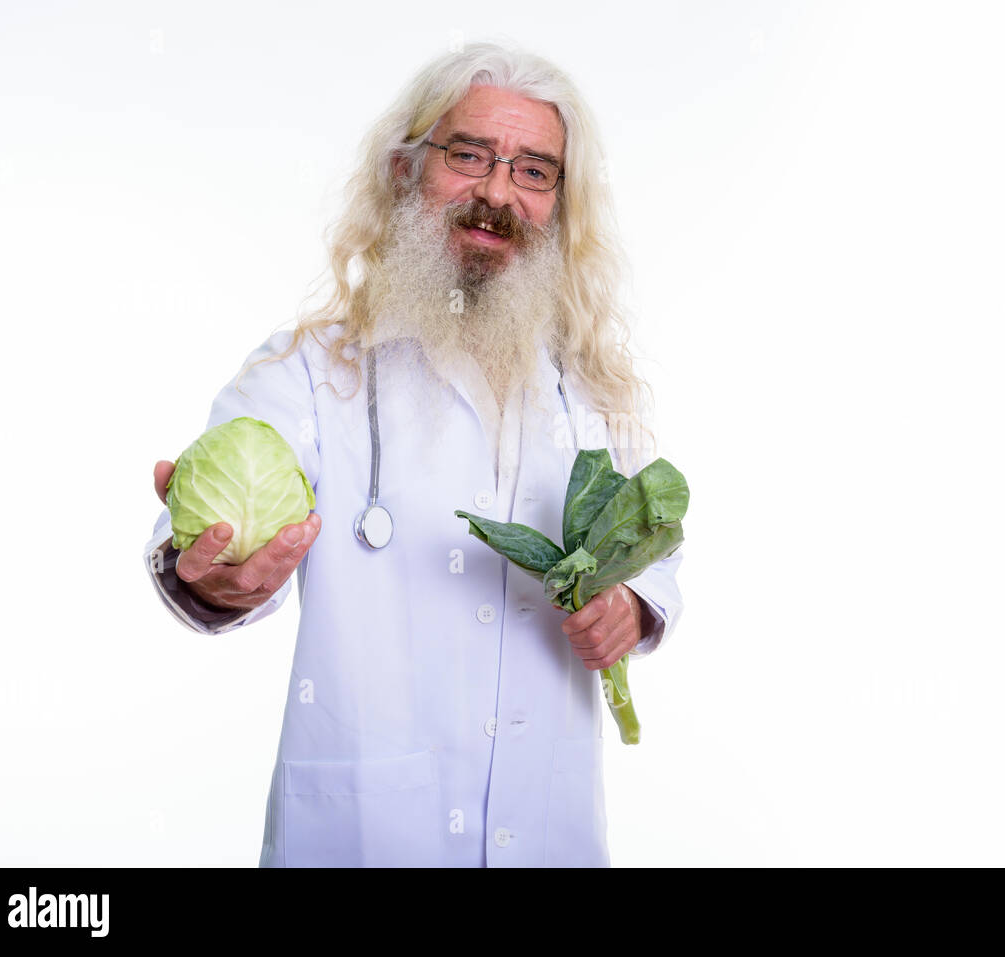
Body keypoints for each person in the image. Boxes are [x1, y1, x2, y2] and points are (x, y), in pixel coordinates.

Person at [141, 42, 684, 867]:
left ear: (561, 205)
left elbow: (656, 545)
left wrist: (634, 607)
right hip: (363, 836)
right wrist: (206, 572)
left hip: (548, 832)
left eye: (535, 171)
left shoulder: (590, 387)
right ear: (404, 170)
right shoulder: (311, 374)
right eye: (469, 155)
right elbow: (207, 534)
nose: (498, 193)